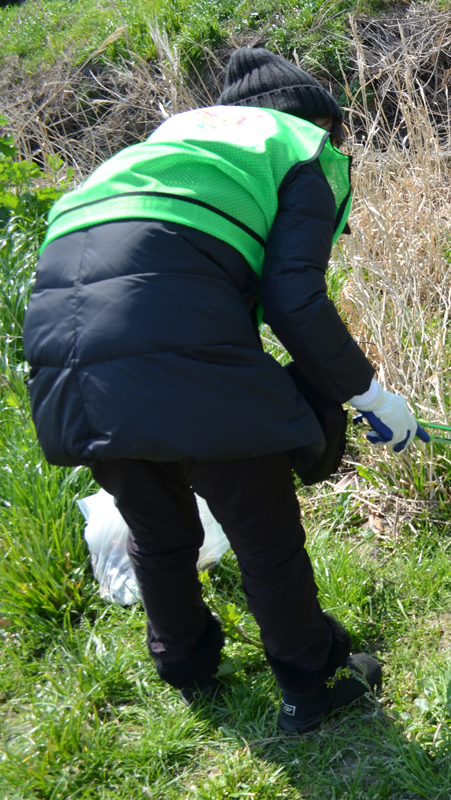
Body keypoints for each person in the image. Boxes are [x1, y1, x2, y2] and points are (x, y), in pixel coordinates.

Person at [23, 48, 423, 732]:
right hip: (166, 350)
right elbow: (294, 302)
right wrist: (371, 396)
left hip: (63, 366)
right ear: (321, 122)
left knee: (160, 528)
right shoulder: (300, 146)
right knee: (262, 527)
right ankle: (312, 680)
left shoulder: (156, 150)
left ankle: (185, 664)